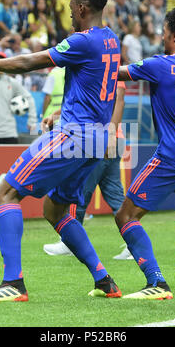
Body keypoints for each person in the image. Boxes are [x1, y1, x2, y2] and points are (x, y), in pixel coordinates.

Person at [0, 0, 122, 302]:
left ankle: (13, 283)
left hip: (74, 136)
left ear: (82, 9)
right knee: (55, 209)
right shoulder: (111, 39)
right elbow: (91, 86)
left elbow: (29, 62)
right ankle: (105, 280)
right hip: (96, 139)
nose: (68, 13)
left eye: (70, 8)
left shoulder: (82, 40)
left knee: (5, 192)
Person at [116, 7, 175, 300]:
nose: (160, 35)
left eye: (163, 30)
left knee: (125, 215)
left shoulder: (160, 64)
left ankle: (156, 281)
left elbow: (115, 73)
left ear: (173, 35)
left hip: (173, 154)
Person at [43, 82, 127, 257]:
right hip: (109, 138)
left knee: (78, 189)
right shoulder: (106, 66)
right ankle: (133, 243)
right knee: (115, 194)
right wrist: (57, 114)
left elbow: (119, 101)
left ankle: (69, 242)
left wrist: (109, 135)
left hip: (100, 139)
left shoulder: (106, 66)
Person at [0, 51, 37, 144]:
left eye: (2, 61)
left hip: (10, 133)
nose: (0, 64)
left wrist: (32, 121)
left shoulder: (12, 82)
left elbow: (29, 98)